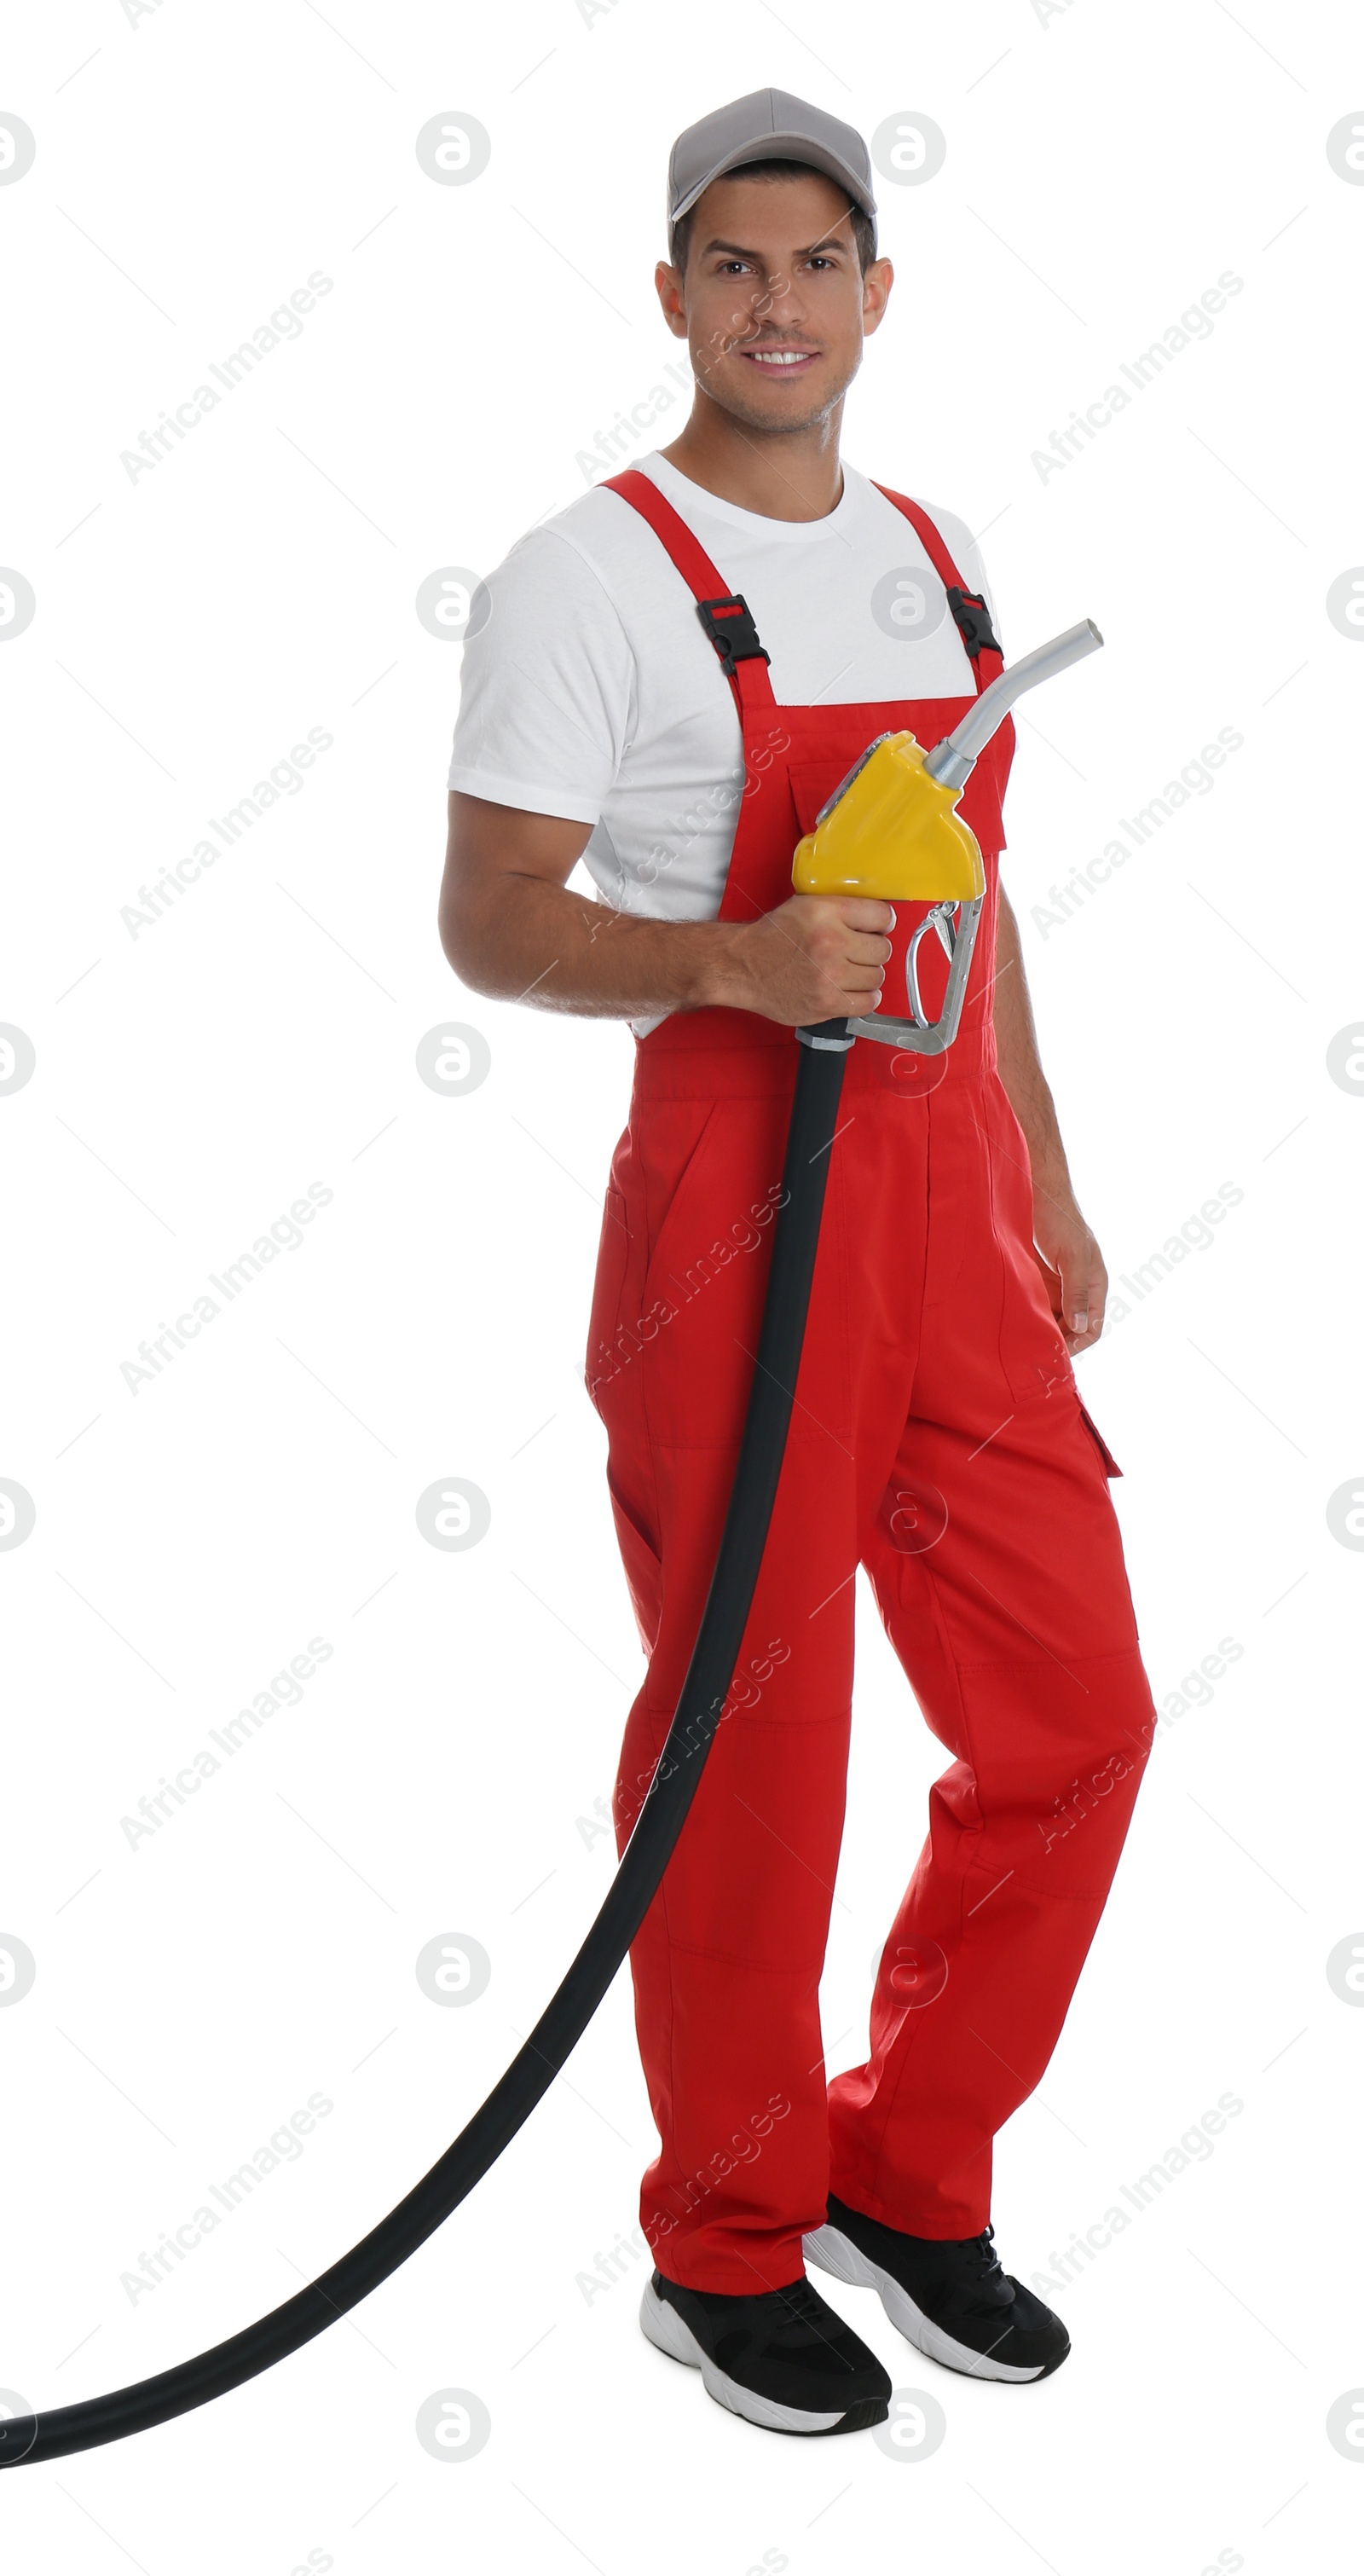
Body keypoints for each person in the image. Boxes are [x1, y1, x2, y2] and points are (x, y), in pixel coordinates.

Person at [439, 87, 1156, 2439]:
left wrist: (1042, 1177)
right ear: (673, 295)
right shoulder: (589, 576)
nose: (775, 305)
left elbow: (972, 890)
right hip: (738, 1207)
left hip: (946, 1202)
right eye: (730, 267)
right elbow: (495, 923)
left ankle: (905, 2172)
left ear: (874, 293)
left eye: (815, 265)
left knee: (1075, 1720)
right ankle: (725, 2243)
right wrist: (740, 965)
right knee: (759, 1753)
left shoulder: (934, 554)